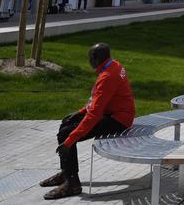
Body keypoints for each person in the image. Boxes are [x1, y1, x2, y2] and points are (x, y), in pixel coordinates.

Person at [40, 43, 135, 199]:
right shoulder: (113, 66)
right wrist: (80, 112)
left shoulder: (107, 77)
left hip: (119, 120)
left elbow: (94, 115)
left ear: (95, 58)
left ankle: (72, 184)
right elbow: (98, 100)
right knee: (66, 123)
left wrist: (69, 141)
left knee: (67, 133)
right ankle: (66, 173)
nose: (88, 61)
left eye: (89, 57)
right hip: (114, 113)